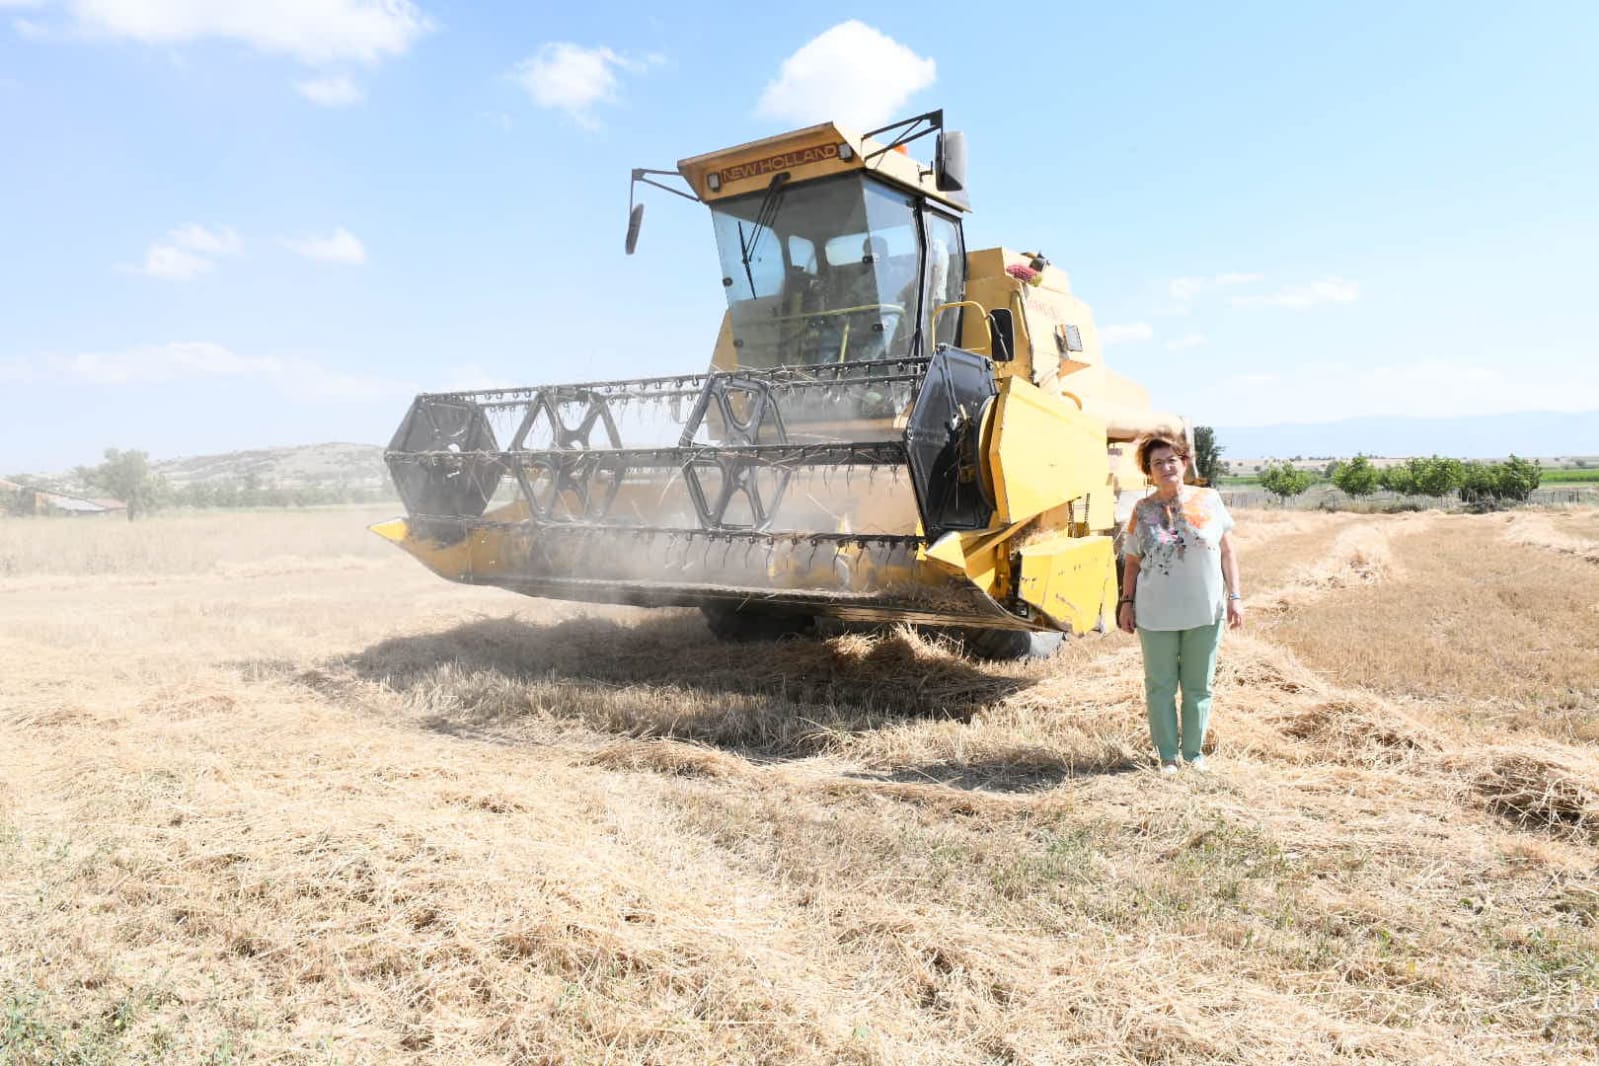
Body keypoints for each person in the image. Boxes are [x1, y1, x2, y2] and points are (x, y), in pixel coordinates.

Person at [1117, 436, 1244, 774]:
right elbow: (1131, 561)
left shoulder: (1210, 500)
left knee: (1199, 685)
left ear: (1184, 463)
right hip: (1156, 613)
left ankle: (1194, 754)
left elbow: (1228, 553)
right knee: (1160, 686)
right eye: (1157, 463)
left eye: (1171, 460)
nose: (1166, 467)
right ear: (1149, 472)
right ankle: (1168, 756)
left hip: (1205, 611)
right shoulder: (1142, 511)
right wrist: (1126, 603)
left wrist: (1235, 597)